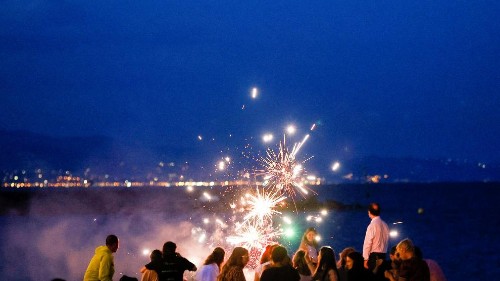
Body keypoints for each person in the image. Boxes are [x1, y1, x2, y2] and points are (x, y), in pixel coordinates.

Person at [363, 203, 390, 271]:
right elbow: (387, 240)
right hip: (383, 256)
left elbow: (368, 243)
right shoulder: (385, 225)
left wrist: (365, 259)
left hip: (374, 257)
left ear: (369, 212)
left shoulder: (372, 226)